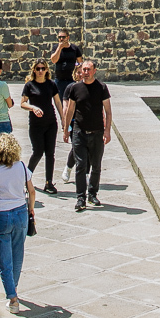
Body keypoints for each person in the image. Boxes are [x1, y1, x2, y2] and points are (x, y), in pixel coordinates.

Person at [0, 132, 36, 313]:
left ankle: (12, 297)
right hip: (20, 213)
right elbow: (31, 192)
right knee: (17, 255)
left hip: (2, 215)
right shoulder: (22, 167)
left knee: (4, 260)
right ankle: (13, 289)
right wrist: (31, 209)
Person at [62, 59, 112, 213]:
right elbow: (70, 110)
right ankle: (80, 197)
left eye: (89, 69)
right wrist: (66, 129)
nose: (86, 72)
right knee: (81, 165)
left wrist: (107, 131)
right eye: (84, 69)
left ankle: (92, 193)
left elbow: (108, 111)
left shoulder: (101, 88)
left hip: (97, 132)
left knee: (96, 165)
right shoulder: (75, 88)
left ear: (94, 70)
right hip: (79, 132)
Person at [20, 59, 64, 195]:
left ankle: (49, 182)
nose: (40, 71)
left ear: (46, 70)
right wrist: (33, 108)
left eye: (42, 68)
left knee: (50, 153)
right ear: (34, 70)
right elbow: (23, 103)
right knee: (38, 152)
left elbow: (57, 102)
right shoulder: (29, 85)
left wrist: (63, 119)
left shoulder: (51, 85)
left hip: (51, 122)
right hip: (36, 125)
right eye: (38, 68)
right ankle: (26, 177)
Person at [60, 61, 84, 184]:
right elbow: (66, 106)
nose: (80, 74)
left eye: (82, 72)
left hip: (87, 121)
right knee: (76, 147)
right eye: (78, 72)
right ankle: (68, 168)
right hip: (74, 122)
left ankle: (86, 173)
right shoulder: (70, 88)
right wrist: (65, 123)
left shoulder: (90, 86)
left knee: (87, 149)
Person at [50, 29, 82, 105]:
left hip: (72, 79)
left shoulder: (74, 48)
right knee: (61, 102)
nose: (61, 39)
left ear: (68, 37)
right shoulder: (55, 48)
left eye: (63, 37)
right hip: (60, 79)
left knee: (73, 101)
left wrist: (77, 71)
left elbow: (80, 63)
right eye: (59, 37)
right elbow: (53, 60)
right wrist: (59, 48)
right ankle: (63, 117)